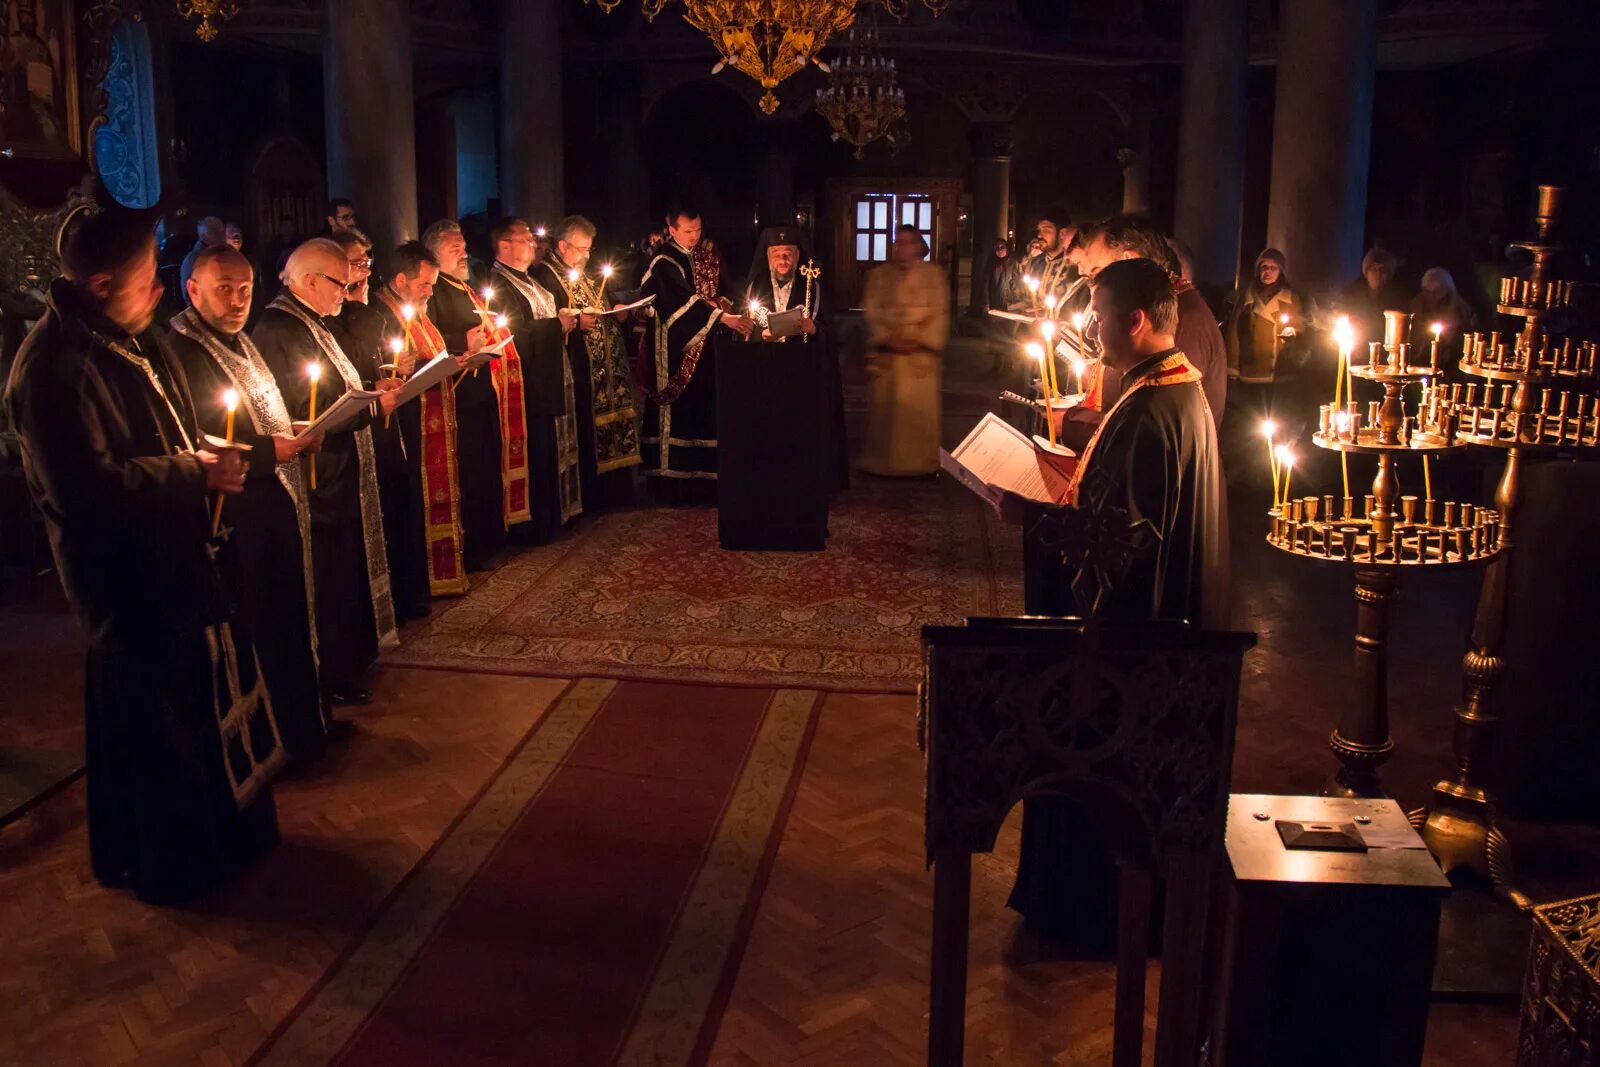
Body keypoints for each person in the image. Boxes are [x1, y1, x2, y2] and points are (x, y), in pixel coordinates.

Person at [5, 207, 283, 903]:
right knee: (153, 720)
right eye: (142, 281)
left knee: (196, 697)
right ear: (99, 285)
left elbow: (167, 418)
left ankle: (226, 835)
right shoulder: (49, 370)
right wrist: (194, 471)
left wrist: (205, 449)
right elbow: (84, 491)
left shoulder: (125, 332)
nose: (157, 292)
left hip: (178, 553)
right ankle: (171, 861)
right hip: (124, 577)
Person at [1008, 258, 1229, 944]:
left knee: (1092, 777)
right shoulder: (1177, 391)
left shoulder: (1146, 411)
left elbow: (1113, 554)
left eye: (1100, 315)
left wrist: (1032, 516)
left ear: (1136, 321)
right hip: (1171, 631)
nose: (1093, 328)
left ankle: (1086, 912)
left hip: (1124, 661)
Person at [168, 245, 329, 761]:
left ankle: (307, 726)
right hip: (237, 511)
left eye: (245, 289)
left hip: (274, 500)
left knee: (289, 615)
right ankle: (278, 739)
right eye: (224, 289)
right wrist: (269, 450)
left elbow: (264, 407)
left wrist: (296, 431)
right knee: (265, 623)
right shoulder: (181, 350)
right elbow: (194, 436)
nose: (238, 301)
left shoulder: (240, 339)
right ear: (192, 290)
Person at [254, 239, 400, 707]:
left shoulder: (311, 320)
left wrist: (372, 394)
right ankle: (332, 672)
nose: (349, 290)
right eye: (342, 282)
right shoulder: (279, 328)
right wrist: (368, 410)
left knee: (343, 567)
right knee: (328, 574)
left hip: (339, 468)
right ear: (311, 280)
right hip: (318, 475)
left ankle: (349, 662)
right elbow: (303, 409)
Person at [328, 229, 430, 620]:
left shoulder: (361, 311)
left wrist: (394, 369)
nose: (365, 272)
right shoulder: (345, 315)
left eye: (366, 262)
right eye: (356, 264)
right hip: (356, 431)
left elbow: (368, 361)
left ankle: (405, 595)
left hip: (384, 423)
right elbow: (348, 365)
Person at [1074, 214, 1227, 446]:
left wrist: (1073, 424)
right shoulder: (1153, 307)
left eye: (1097, 272)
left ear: (1129, 261)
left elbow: (1156, 430)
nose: (1092, 282)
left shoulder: (1179, 318)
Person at [635, 206, 753, 505]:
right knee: (677, 411)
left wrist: (725, 305)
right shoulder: (663, 260)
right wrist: (720, 316)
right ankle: (670, 481)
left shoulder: (705, 257)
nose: (695, 236)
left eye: (698, 229)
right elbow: (679, 301)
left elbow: (725, 291)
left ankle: (704, 478)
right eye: (688, 231)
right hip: (673, 350)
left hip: (706, 349)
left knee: (704, 405)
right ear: (671, 229)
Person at [531, 214, 644, 508]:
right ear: (562, 245)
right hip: (580, 366)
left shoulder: (579, 272)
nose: (586, 255)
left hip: (607, 367)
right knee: (587, 429)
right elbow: (550, 319)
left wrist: (618, 310)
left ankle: (617, 490)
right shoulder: (545, 276)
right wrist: (575, 322)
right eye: (582, 249)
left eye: (589, 249)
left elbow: (599, 305)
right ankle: (597, 495)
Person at [373, 241, 466, 599]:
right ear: (400, 279)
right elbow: (383, 369)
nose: (431, 291)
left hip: (431, 424)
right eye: (425, 284)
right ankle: (418, 586)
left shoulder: (417, 311)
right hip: (406, 429)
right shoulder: (381, 315)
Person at [423, 219, 514, 571]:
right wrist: (465, 342)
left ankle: (490, 538)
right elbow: (428, 341)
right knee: (469, 468)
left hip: (482, 389)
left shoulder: (465, 285)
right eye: (454, 248)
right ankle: (471, 547)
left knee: (486, 463)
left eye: (463, 246)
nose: (463, 253)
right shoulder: (436, 291)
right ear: (434, 252)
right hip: (459, 396)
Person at [490, 217, 584, 543]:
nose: (533, 244)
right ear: (505, 245)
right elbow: (512, 334)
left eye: (532, 239)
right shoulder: (499, 285)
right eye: (525, 239)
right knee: (536, 452)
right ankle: (536, 525)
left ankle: (556, 515)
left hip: (549, 375)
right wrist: (556, 326)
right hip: (527, 385)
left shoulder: (529, 281)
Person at [745, 225, 848, 494]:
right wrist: (759, 333)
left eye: (788, 254)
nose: (782, 260)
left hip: (802, 369)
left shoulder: (811, 286)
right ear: (768, 257)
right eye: (777, 254)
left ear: (798, 255)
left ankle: (802, 480)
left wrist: (814, 330)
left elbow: (828, 331)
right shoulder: (755, 286)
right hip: (765, 367)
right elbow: (746, 325)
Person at [859, 225, 949, 477]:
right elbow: (872, 311)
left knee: (917, 415)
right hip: (888, 353)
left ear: (919, 246)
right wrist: (888, 338)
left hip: (919, 355)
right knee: (886, 414)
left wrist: (920, 340)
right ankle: (881, 462)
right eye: (899, 242)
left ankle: (921, 463)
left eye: (909, 242)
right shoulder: (878, 276)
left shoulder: (934, 275)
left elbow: (940, 312)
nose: (903, 247)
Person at [1224, 248, 1303, 386]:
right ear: (1258, 270)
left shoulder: (1291, 299)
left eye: (1274, 268)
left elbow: (1299, 324)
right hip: (1249, 373)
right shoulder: (1246, 298)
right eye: (1264, 267)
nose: (1268, 272)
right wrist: (1232, 370)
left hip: (1278, 374)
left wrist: (1293, 330)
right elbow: (1233, 334)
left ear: (1281, 271)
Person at [1408, 266, 1477, 370]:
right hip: (1422, 360)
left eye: (1437, 292)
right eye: (1428, 292)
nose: (1432, 296)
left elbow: (1468, 335)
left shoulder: (1461, 309)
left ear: (1447, 290)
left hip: (1454, 361)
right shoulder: (1417, 305)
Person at [1338, 246, 1408, 342]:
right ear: (1366, 272)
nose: (1378, 275)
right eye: (1374, 270)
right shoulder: (1351, 295)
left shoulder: (1395, 300)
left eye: (1382, 271)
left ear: (1389, 274)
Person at [1017, 211, 1076, 308]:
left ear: (1062, 233)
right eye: (1039, 230)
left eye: (1046, 230)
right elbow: (1024, 295)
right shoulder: (1034, 264)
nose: (1039, 235)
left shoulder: (1077, 266)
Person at [180, 215, 228, 300]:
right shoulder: (193, 260)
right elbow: (189, 295)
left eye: (222, 232)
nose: (221, 236)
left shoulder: (227, 255)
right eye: (215, 232)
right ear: (203, 236)